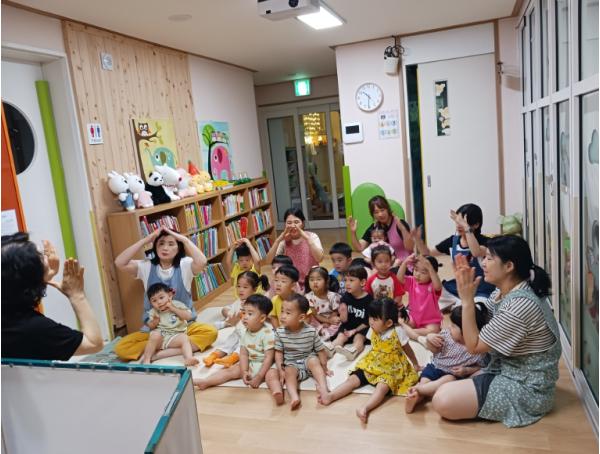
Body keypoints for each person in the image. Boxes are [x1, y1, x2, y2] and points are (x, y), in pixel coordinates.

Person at [431, 235, 561, 428]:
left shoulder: (519, 305)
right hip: (508, 367)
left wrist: (467, 300)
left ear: (509, 266)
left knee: (442, 400)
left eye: (489, 258)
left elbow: (474, 346)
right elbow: (484, 320)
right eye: (484, 257)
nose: (483, 263)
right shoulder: (505, 290)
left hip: (528, 388)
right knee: (452, 377)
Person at [113, 227, 217, 361]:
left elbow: (202, 261)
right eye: (161, 243)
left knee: (211, 333)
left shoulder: (185, 264)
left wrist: (184, 240)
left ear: (179, 247)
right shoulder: (146, 266)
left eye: (171, 244)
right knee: (121, 348)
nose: (165, 248)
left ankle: (157, 353)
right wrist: (145, 240)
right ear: (155, 247)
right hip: (155, 330)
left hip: (183, 327)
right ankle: (178, 346)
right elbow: (119, 262)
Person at [1, 233, 103, 360]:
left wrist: (44, 276)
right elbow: (93, 343)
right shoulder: (35, 328)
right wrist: (77, 295)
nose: (46, 257)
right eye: (41, 256)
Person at [320, 298, 419, 424]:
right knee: (353, 379)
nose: (370, 321)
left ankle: (365, 408)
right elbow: (374, 346)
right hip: (373, 361)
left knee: (382, 387)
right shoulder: (373, 328)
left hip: (391, 367)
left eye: (375, 319)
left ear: (389, 323)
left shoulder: (398, 331)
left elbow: (408, 349)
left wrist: (415, 364)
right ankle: (330, 396)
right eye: (370, 317)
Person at [194, 295, 283, 404]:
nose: (244, 317)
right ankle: (206, 382)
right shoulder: (245, 332)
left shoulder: (268, 334)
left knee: (272, 376)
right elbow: (244, 354)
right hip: (251, 363)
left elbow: (269, 358)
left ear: (262, 318)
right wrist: (244, 371)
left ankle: (277, 392)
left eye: (250, 314)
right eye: (244, 313)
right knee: (230, 371)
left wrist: (259, 376)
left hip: (267, 366)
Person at [405, 303, 489, 414]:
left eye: (453, 326)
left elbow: (480, 366)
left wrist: (467, 370)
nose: (449, 327)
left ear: (467, 330)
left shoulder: (477, 348)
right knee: (425, 382)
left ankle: (418, 390)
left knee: (449, 379)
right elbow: (434, 349)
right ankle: (415, 396)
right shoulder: (446, 335)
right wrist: (430, 338)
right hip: (435, 367)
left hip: (451, 375)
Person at [412, 203, 495, 310]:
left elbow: (476, 252)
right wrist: (418, 240)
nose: (459, 225)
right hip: (458, 287)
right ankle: (457, 304)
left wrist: (466, 227)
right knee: (432, 291)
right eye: (457, 221)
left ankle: (459, 306)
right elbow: (427, 253)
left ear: (476, 224)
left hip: (480, 290)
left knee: (476, 310)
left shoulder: (485, 242)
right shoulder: (453, 240)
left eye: (463, 222)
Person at [272, 293, 332, 410]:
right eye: (282, 311)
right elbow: (278, 352)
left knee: (314, 362)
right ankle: (294, 396)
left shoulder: (311, 331)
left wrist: (325, 367)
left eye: (288, 313)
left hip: (307, 358)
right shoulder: (279, 332)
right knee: (289, 372)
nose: (282, 316)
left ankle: (323, 388)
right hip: (291, 362)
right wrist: (280, 369)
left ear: (301, 318)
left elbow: (320, 350)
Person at [203, 271, 270, 367]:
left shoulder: (257, 303)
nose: (241, 290)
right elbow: (232, 318)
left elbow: (259, 321)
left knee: (242, 346)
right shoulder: (238, 302)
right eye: (238, 286)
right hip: (238, 331)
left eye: (245, 287)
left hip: (251, 334)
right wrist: (231, 319)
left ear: (254, 289)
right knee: (228, 342)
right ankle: (213, 356)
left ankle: (231, 359)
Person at [139, 283, 199, 366]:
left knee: (184, 338)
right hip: (161, 338)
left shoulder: (177, 304)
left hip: (175, 337)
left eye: (161, 298)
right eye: (154, 301)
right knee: (155, 335)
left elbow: (188, 317)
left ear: (170, 296)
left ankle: (188, 358)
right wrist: (155, 321)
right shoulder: (153, 312)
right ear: (151, 303)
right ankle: (146, 360)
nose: (159, 302)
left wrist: (173, 308)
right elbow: (151, 326)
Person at [265, 208, 324, 291]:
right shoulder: (284, 242)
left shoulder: (312, 237)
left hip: (311, 283)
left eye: (296, 222)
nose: (293, 226)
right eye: (289, 223)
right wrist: (278, 240)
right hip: (292, 284)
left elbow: (319, 258)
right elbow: (268, 261)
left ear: (303, 223)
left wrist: (307, 238)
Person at [348, 195, 414, 264]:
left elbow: (410, 248)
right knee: (357, 262)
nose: (380, 214)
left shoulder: (400, 223)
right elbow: (359, 248)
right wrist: (353, 232)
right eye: (376, 212)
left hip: (403, 264)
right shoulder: (374, 227)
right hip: (382, 266)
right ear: (372, 214)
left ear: (388, 209)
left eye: (382, 210)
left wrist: (402, 229)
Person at [327, 264, 373, 361]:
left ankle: (353, 351)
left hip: (361, 328)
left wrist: (355, 330)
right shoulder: (345, 296)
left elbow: (368, 322)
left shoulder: (369, 300)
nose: (347, 283)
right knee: (340, 337)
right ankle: (330, 349)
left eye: (351, 280)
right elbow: (344, 320)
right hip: (347, 326)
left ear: (362, 282)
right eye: (345, 280)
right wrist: (343, 313)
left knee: (359, 339)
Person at [396, 253, 442, 340]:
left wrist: (430, 268)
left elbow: (438, 287)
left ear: (432, 274)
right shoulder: (412, 281)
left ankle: (409, 332)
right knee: (398, 320)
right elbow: (399, 279)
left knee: (434, 330)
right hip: (413, 318)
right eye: (416, 269)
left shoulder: (432, 285)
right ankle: (410, 331)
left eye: (423, 272)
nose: (417, 274)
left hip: (430, 321)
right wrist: (404, 263)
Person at [304, 266, 341, 341]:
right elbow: (315, 314)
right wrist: (326, 322)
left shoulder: (333, 296)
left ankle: (326, 333)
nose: (315, 282)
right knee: (308, 319)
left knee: (338, 322)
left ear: (326, 281)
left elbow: (335, 311)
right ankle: (320, 331)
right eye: (311, 280)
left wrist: (330, 321)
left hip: (331, 318)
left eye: (319, 279)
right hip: (316, 320)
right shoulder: (308, 297)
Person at [268, 264, 300, 329]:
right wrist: (278, 331)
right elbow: (273, 317)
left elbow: (307, 317)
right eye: (276, 280)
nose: (278, 284)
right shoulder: (274, 299)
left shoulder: (299, 300)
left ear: (293, 285)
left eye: (283, 281)